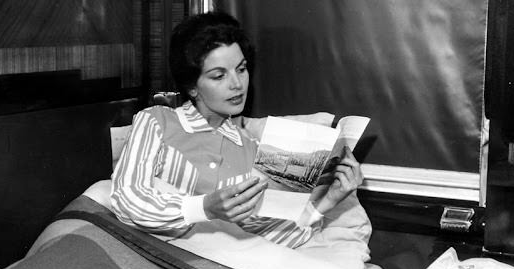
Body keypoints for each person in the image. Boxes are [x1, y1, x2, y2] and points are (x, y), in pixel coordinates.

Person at [110, 11, 363, 248]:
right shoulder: (156, 121)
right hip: (147, 256)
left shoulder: (252, 149)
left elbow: (272, 238)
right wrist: (205, 208)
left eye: (241, 70)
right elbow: (126, 198)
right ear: (192, 87)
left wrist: (328, 201)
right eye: (219, 76)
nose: (237, 84)